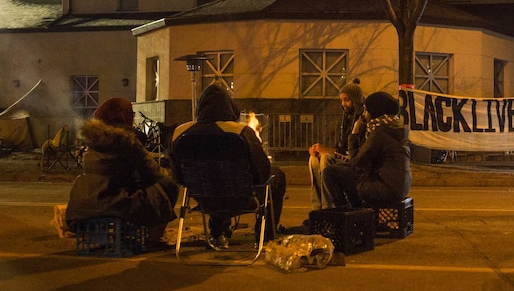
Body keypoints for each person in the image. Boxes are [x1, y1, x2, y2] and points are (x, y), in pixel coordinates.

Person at [171, 82, 287, 249]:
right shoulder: (241, 132)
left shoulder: (181, 132)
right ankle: (265, 235)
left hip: (203, 199)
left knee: (214, 180)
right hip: (241, 198)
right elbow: (262, 171)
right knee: (277, 175)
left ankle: (218, 234)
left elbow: (177, 176)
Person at [65, 98, 179, 250]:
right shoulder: (126, 139)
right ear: (124, 115)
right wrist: (170, 174)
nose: (133, 117)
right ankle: (155, 239)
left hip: (83, 202)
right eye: (131, 113)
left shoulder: (93, 139)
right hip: (114, 198)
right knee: (165, 186)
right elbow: (152, 171)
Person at [323, 91, 412, 209]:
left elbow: (355, 163)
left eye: (366, 110)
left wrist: (354, 134)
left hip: (385, 189)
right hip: (398, 187)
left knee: (330, 172)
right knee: (345, 171)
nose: (364, 114)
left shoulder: (379, 133)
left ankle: (345, 212)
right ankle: (357, 212)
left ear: (374, 112)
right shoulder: (393, 128)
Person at [308, 78, 364, 210]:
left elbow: (353, 150)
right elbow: (341, 145)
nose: (343, 104)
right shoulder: (347, 118)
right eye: (342, 100)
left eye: (347, 100)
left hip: (354, 160)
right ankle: (317, 207)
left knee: (326, 159)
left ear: (355, 100)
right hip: (345, 155)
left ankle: (329, 207)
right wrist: (320, 149)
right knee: (314, 159)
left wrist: (328, 150)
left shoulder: (362, 120)